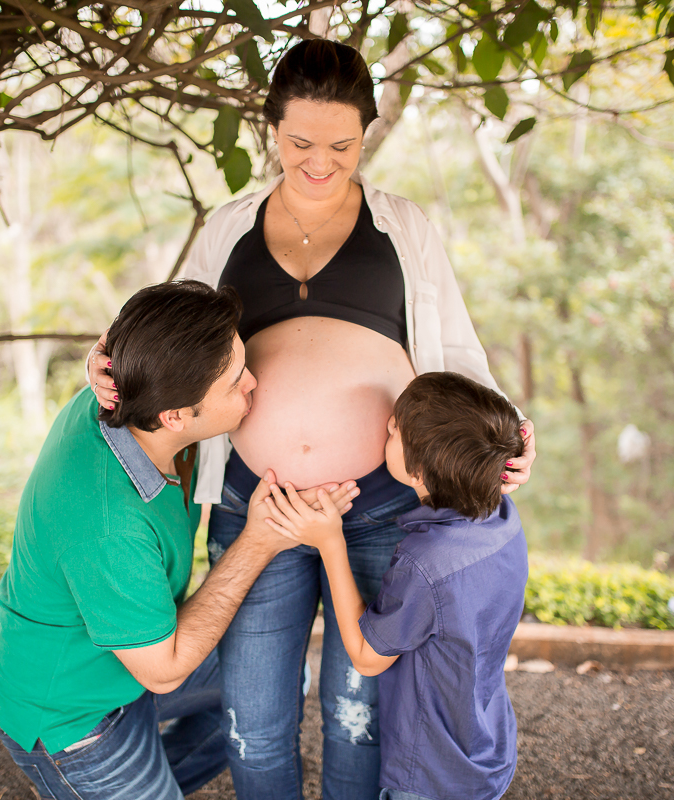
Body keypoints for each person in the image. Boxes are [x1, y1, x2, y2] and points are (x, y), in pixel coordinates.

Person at [85, 39, 538, 800]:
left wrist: (506, 436)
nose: (320, 162)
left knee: (356, 712)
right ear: (272, 130)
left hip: (377, 506)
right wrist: (103, 364)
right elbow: (164, 339)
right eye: (299, 143)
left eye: (342, 144)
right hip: (254, 503)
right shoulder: (228, 229)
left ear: (367, 132)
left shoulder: (403, 228)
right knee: (253, 719)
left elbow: (455, 351)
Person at [0, 280, 359, 800]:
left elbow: (140, 335)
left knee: (272, 680)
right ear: (177, 415)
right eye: (234, 383)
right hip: (76, 717)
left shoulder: (133, 397)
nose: (253, 382)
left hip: (129, 666)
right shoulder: (108, 523)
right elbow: (165, 669)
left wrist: (102, 347)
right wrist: (259, 540)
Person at [264, 372, 529, 800]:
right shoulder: (502, 517)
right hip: (485, 745)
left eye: (393, 431)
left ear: (419, 471)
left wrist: (331, 542)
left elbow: (368, 658)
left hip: (429, 773)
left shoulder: (426, 564)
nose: (386, 428)